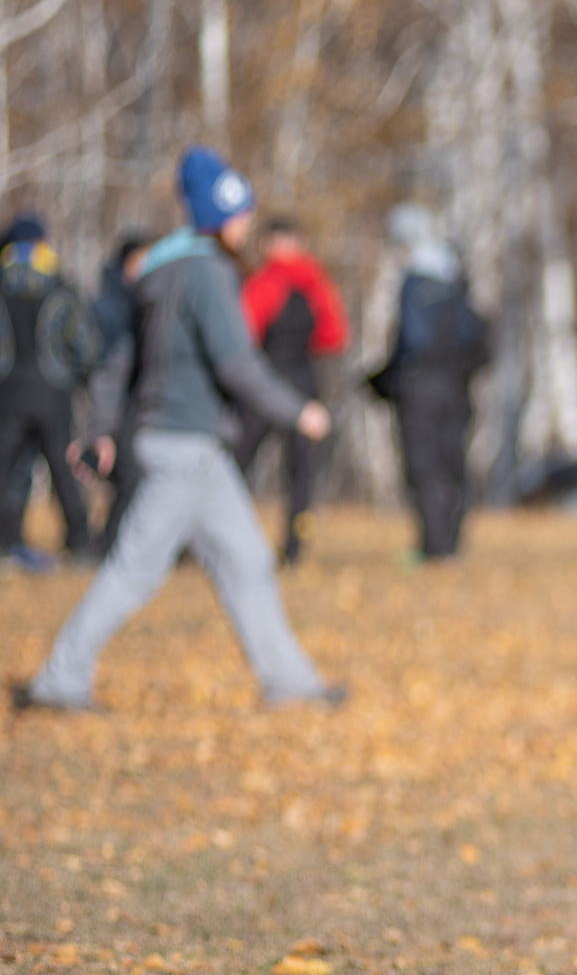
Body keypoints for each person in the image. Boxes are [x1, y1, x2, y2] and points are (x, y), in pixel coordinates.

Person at [13, 148, 342, 714]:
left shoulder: (161, 268)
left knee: (247, 561)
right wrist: (298, 411)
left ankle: (290, 682)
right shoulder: (207, 273)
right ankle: (59, 681)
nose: (246, 225)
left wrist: (104, 429)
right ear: (219, 215)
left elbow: (123, 363)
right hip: (184, 445)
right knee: (134, 571)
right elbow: (236, 362)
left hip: (183, 446)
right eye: (240, 213)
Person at [369, 204, 487, 561]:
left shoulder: (414, 281)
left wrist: (387, 378)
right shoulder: (457, 278)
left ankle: (434, 546)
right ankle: (451, 543)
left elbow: (412, 340)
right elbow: (475, 336)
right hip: (456, 387)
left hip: (420, 387)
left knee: (422, 466)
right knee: (453, 464)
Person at [232, 216, 348, 565]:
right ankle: (295, 547)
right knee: (301, 472)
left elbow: (243, 332)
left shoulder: (265, 281)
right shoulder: (317, 282)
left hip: (266, 381)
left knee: (239, 460)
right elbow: (334, 336)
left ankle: (224, 538)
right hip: (304, 382)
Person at [0, 214, 104, 571]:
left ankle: (6, 543)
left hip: (7, 393)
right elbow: (87, 346)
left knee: (7, 470)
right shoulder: (60, 285)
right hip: (53, 392)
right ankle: (79, 543)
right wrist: (76, 376)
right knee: (64, 469)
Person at [84, 236, 152, 562]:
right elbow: (107, 374)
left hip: (137, 407)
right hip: (114, 408)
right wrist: (100, 429)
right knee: (130, 475)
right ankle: (105, 545)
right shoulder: (112, 307)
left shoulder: (145, 302)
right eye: (142, 262)